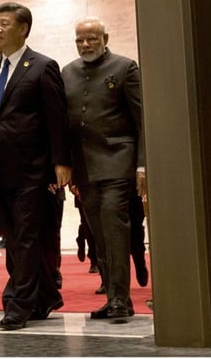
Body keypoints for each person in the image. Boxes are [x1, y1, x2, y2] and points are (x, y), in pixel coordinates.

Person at [0, 2, 71, 331]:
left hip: (32, 169)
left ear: (23, 29)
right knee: (15, 237)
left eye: (4, 24)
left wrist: (61, 161)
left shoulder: (42, 66)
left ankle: (17, 303)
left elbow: (56, 118)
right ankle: (45, 297)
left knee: (24, 238)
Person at [61, 18, 146, 322]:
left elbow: (141, 120)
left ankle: (120, 299)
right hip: (84, 168)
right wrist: (65, 165)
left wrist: (142, 163)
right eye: (80, 40)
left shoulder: (125, 68)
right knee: (98, 234)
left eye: (92, 39)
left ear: (105, 37)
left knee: (114, 228)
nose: (85, 45)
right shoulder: (67, 72)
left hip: (117, 161)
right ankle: (114, 297)